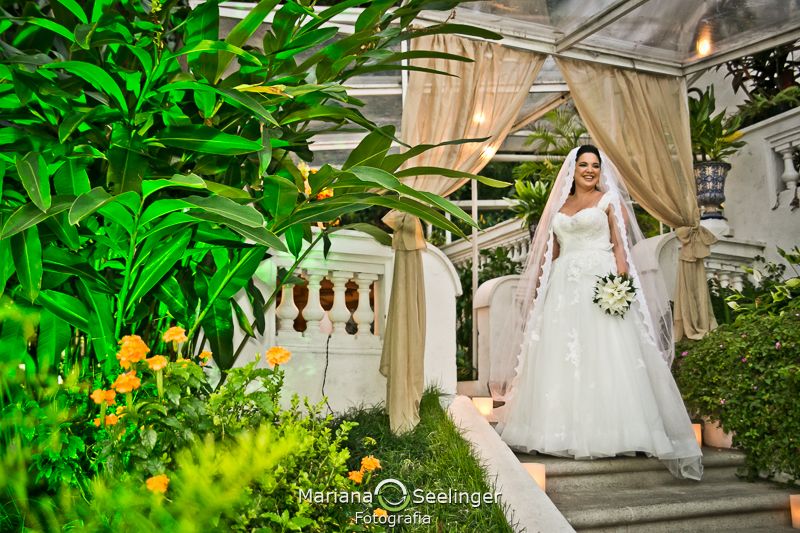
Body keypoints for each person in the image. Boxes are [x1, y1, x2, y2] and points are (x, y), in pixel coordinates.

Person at [490, 145, 703, 481]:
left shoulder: (608, 200)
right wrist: (541, 293)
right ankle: (557, 431)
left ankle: (619, 432)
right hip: (563, 289)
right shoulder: (559, 205)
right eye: (583, 165)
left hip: (599, 282)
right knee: (561, 357)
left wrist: (621, 287)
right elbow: (552, 252)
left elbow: (621, 246)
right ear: (571, 169)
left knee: (606, 353)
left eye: (594, 165)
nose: (589, 170)